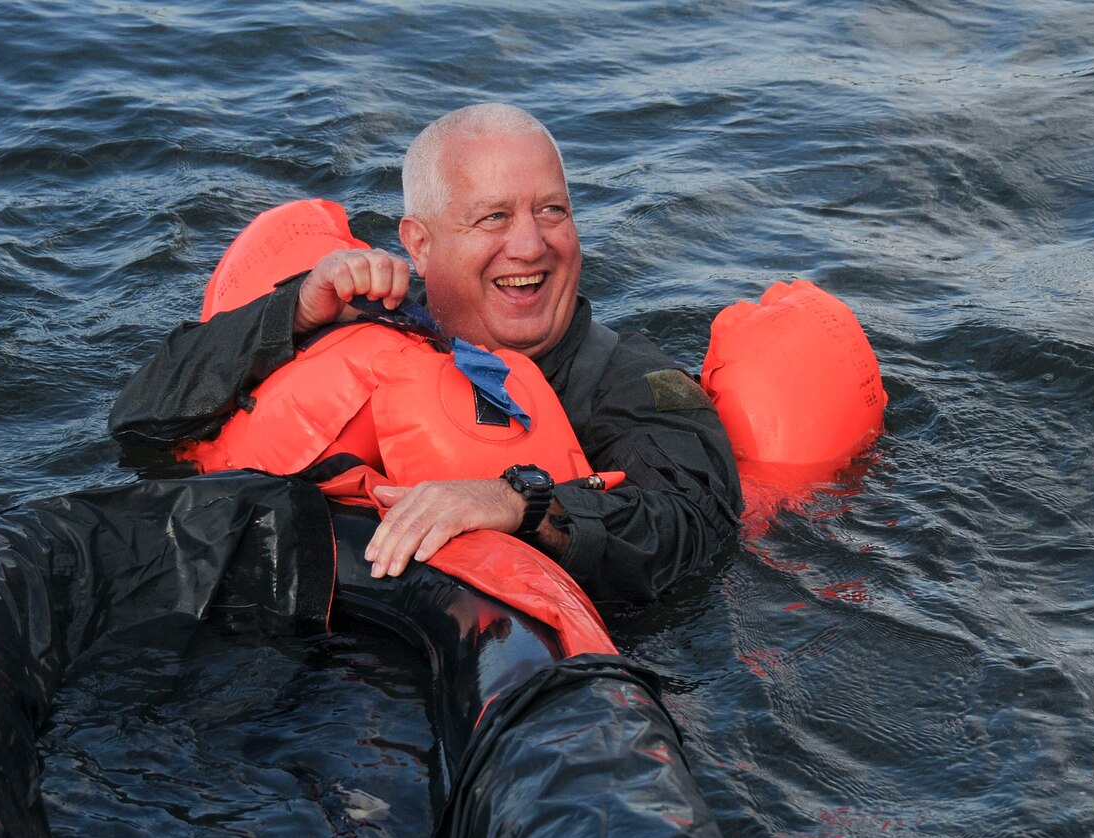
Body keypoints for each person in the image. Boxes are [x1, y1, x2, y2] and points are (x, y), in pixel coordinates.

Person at [109, 103, 741, 605]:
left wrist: (524, 504)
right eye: (493, 217)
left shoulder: (626, 381)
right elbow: (139, 424)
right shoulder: (350, 329)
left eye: (552, 211)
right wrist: (295, 312)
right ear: (420, 243)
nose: (530, 245)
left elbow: (693, 522)